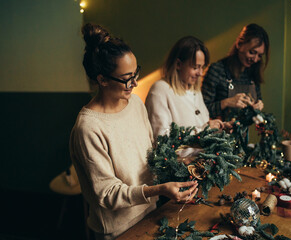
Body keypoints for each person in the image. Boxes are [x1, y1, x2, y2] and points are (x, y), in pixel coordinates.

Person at [70, 23, 198, 240]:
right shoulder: (88, 128)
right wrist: (158, 190)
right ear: (102, 80)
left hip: (152, 212)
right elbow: (107, 193)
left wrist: (177, 162)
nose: (135, 82)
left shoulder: (135, 103)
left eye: (136, 72)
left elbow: (150, 153)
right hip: (118, 228)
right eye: (127, 78)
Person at [145, 36, 229, 140]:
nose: (200, 73)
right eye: (195, 67)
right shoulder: (160, 90)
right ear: (178, 64)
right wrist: (204, 130)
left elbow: (202, 129)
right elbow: (161, 138)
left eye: (202, 67)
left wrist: (220, 128)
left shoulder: (195, 91)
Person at [202, 23, 270, 121]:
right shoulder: (216, 70)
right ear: (239, 44)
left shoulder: (252, 75)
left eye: (259, 55)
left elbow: (256, 105)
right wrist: (226, 103)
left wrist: (257, 106)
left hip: (242, 135)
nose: (255, 60)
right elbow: (200, 111)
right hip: (217, 134)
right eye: (252, 52)